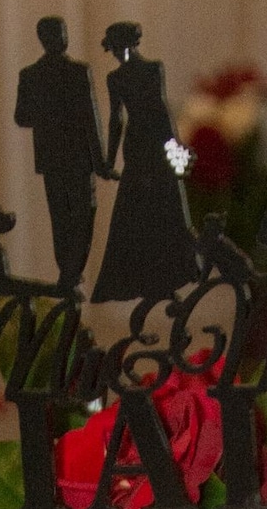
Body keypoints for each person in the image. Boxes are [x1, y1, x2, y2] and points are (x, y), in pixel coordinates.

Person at [91, 22, 198, 305]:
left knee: (149, 207)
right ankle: (154, 275)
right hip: (147, 142)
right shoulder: (134, 73)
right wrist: (110, 158)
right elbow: (127, 117)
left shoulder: (134, 73)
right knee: (150, 208)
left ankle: (161, 274)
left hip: (146, 143)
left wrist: (109, 158)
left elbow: (129, 117)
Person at [13, 19, 108, 292]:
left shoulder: (34, 74)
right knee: (74, 215)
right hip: (74, 157)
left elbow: (24, 117)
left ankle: (69, 273)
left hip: (57, 158)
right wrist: (98, 160)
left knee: (67, 217)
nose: (62, 38)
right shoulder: (71, 72)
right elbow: (90, 120)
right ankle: (69, 273)